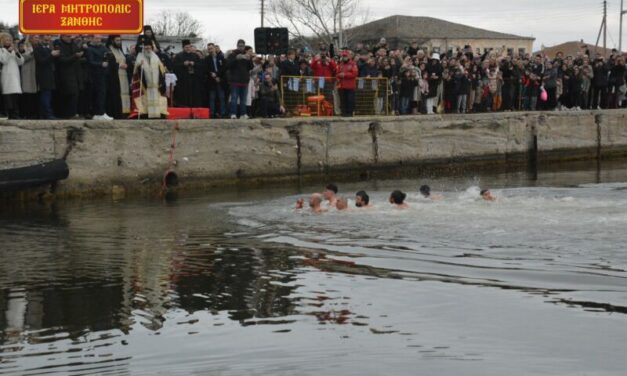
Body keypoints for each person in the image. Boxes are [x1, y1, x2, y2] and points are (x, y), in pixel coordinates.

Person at [130, 40, 168, 119]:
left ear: (152, 48)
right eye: (146, 48)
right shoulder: (140, 56)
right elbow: (135, 70)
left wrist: (162, 71)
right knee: (146, 100)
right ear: (144, 49)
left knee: (157, 99)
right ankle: (146, 114)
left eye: (149, 48)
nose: (148, 50)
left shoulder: (155, 56)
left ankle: (158, 114)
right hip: (146, 84)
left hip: (156, 84)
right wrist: (140, 65)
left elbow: (162, 68)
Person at [56, 34, 83, 118]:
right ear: (62, 37)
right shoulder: (59, 46)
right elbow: (62, 60)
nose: (70, 38)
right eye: (67, 36)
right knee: (69, 94)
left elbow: (78, 53)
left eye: (70, 36)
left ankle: (73, 113)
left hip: (75, 74)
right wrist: (75, 56)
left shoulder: (73, 44)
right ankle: (68, 114)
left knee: (76, 94)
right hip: (65, 75)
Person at [225, 40, 254, 119]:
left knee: (243, 99)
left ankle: (243, 113)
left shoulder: (247, 55)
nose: (241, 47)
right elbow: (227, 65)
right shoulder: (232, 54)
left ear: (244, 46)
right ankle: (233, 113)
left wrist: (249, 59)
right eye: (240, 46)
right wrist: (236, 59)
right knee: (234, 98)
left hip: (244, 81)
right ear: (237, 46)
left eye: (242, 46)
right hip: (235, 80)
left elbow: (251, 67)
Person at [86, 35, 112, 120]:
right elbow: (90, 62)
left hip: (104, 74)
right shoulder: (90, 49)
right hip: (95, 75)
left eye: (99, 38)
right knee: (98, 94)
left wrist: (109, 56)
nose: (98, 40)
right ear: (92, 39)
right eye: (96, 38)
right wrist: (101, 64)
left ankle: (100, 112)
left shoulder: (103, 48)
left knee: (103, 94)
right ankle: (99, 113)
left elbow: (108, 55)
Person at [0, 32, 25, 119]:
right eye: (7, 40)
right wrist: (9, 51)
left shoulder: (14, 51)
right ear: (2, 41)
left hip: (15, 75)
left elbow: (21, 62)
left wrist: (17, 53)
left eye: (10, 40)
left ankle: (15, 113)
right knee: (8, 96)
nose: (9, 41)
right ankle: (10, 114)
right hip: (7, 75)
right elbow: (3, 60)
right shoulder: (1, 50)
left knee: (15, 95)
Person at [34, 34, 58, 119]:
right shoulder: (37, 49)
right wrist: (51, 55)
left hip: (50, 74)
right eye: (45, 40)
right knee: (46, 94)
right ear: (40, 40)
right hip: (43, 75)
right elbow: (41, 61)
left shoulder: (48, 49)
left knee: (48, 94)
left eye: (48, 40)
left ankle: (44, 114)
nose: (47, 42)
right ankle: (47, 113)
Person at [173, 40, 204, 107]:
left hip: (193, 79)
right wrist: (183, 64)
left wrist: (194, 64)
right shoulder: (179, 56)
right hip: (183, 80)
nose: (188, 48)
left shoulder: (195, 56)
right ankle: (183, 107)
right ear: (183, 48)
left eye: (189, 47)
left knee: (194, 94)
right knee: (183, 94)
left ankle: (194, 107)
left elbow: (201, 65)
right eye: (186, 47)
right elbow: (174, 66)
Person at [206, 43, 226, 118]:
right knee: (212, 98)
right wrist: (212, 75)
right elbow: (206, 69)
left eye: (211, 48)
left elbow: (224, 68)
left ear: (215, 48)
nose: (210, 50)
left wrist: (218, 76)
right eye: (209, 49)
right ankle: (212, 113)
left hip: (220, 80)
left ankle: (223, 113)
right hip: (211, 81)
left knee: (222, 97)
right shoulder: (207, 59)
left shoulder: (221, 57)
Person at [336, 50, 358, 117]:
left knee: (350, 100)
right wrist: (339, 77)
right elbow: (337, 73)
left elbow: (355, 74)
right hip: (342, 86)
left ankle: (350, 113)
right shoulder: (340, 64)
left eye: (345, 56)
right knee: (343, 100)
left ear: (348, 56)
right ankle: (344, 112)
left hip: (350, 86)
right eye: (343, 56)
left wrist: (345, 75)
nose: (344, 57)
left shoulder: (353, 64)